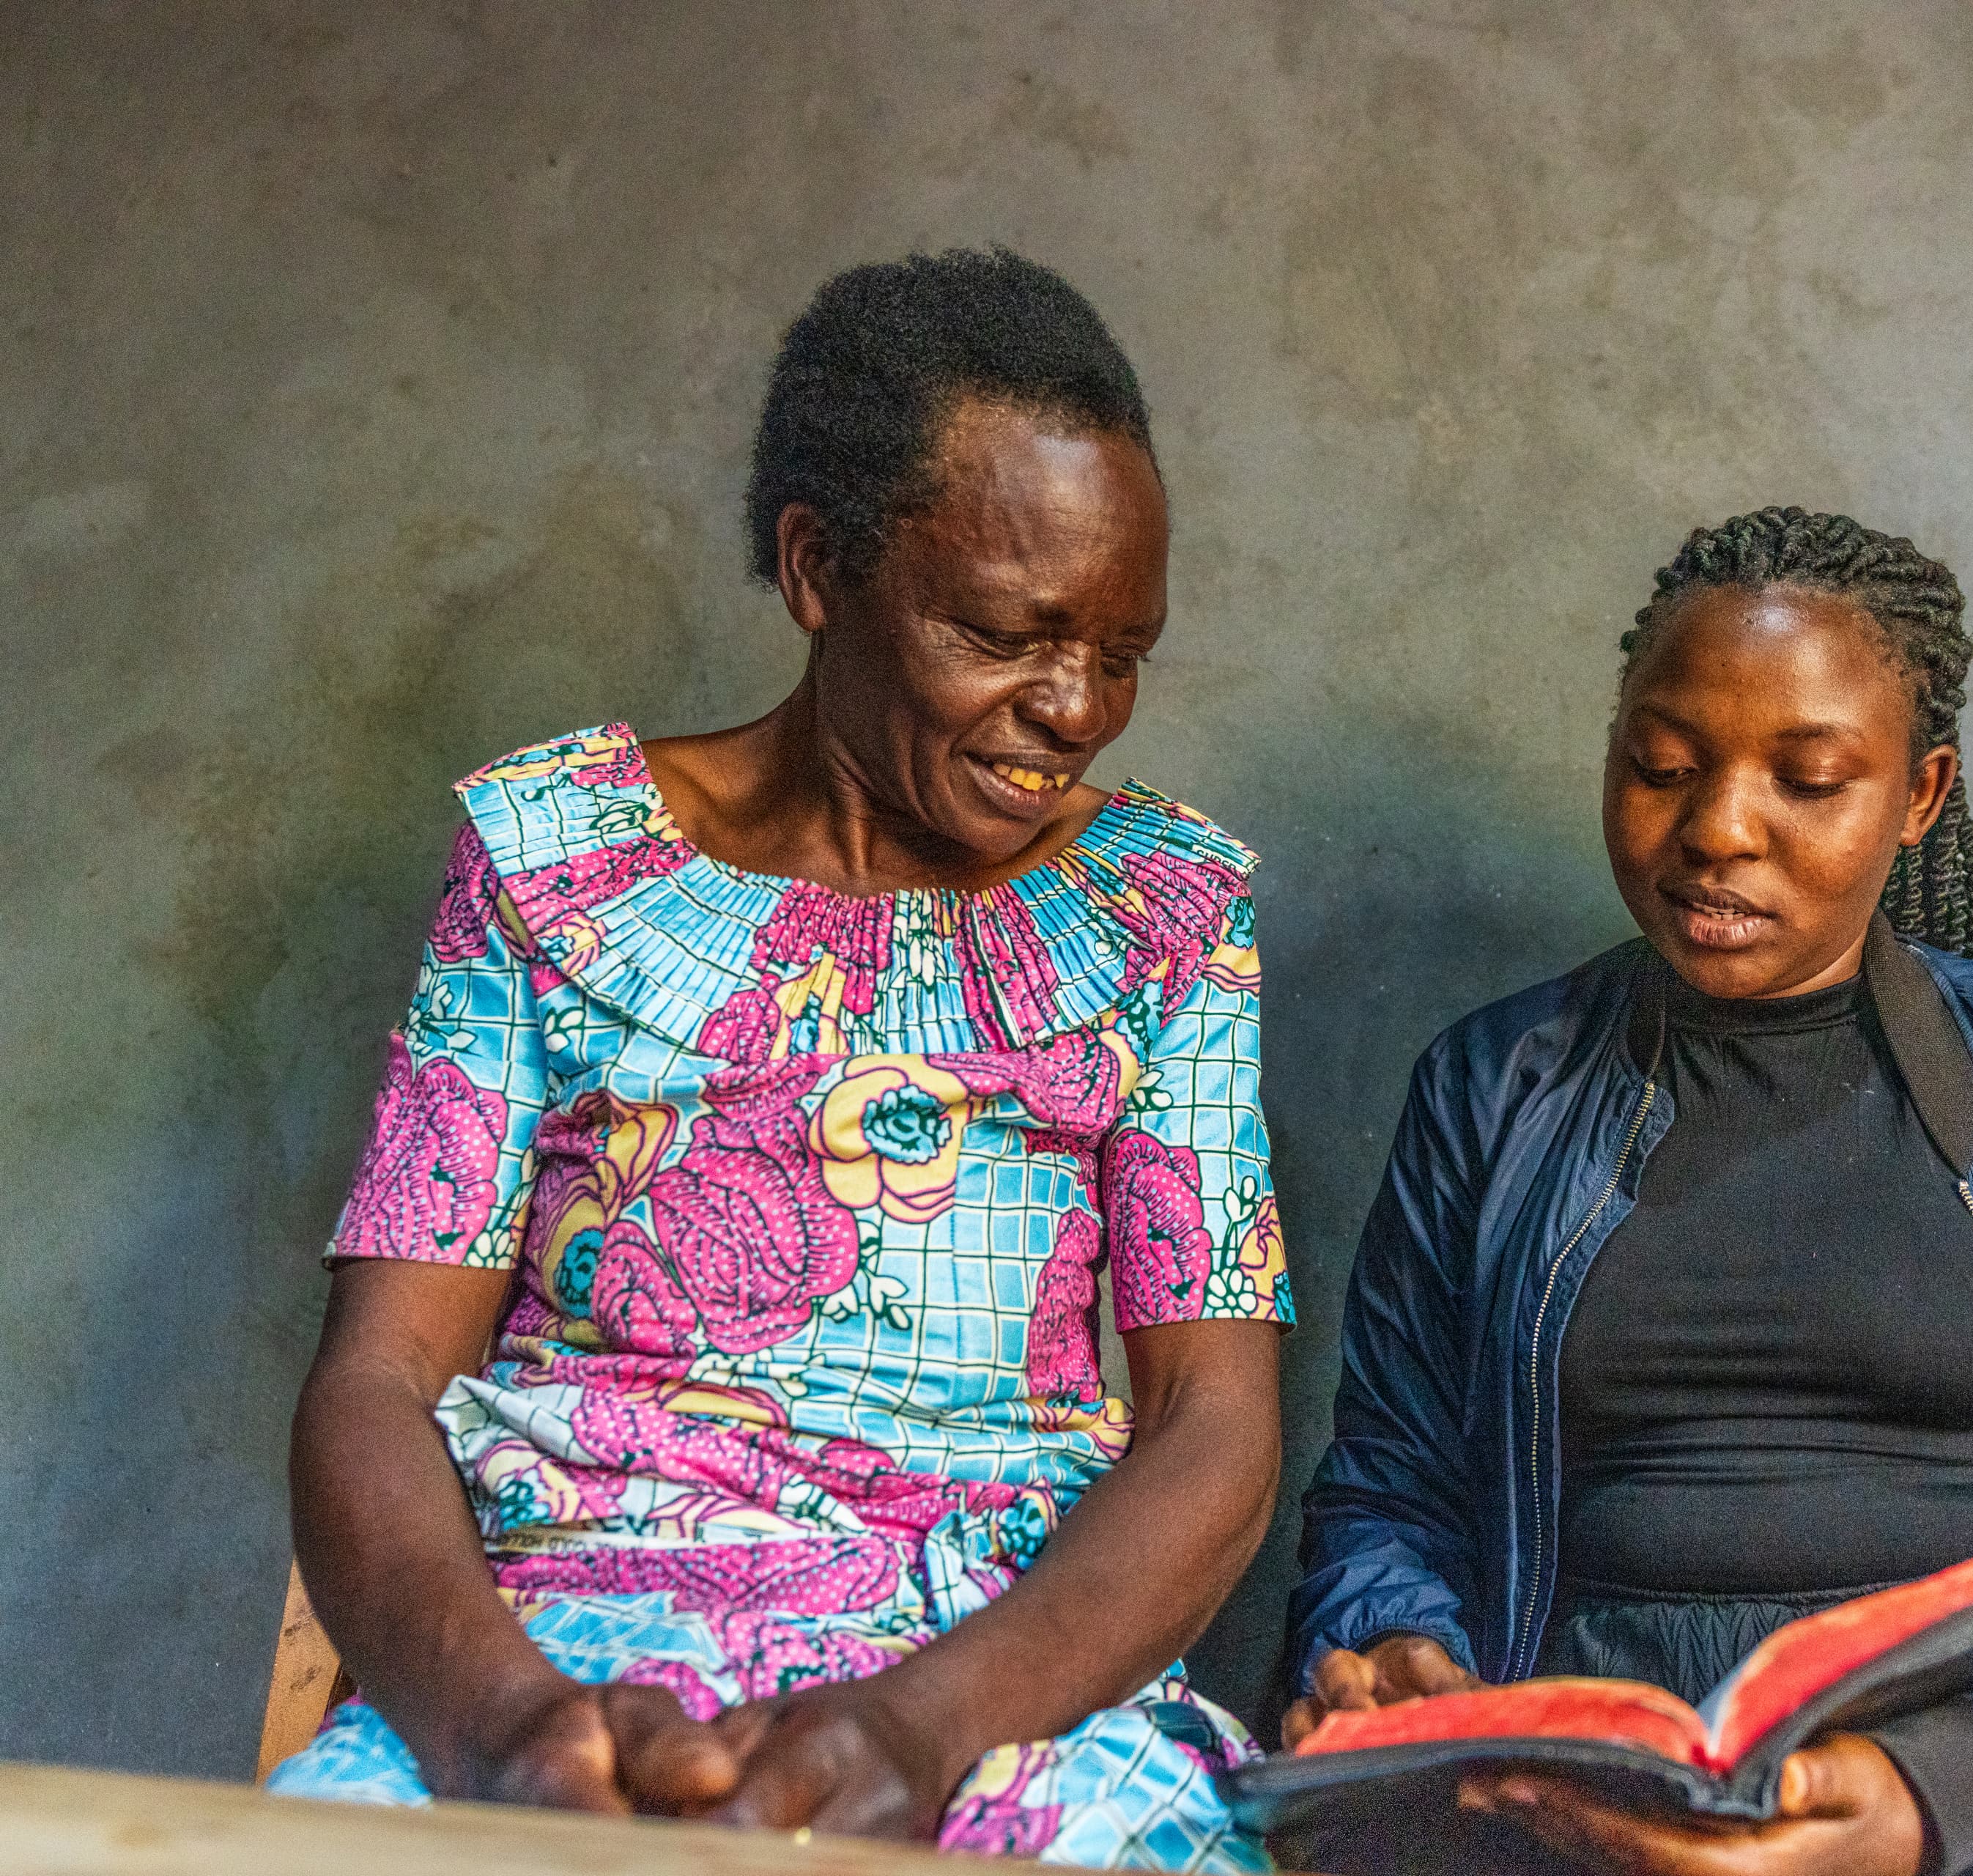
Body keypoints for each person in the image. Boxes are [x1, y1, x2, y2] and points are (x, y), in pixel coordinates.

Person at [267, 250, 1292, 1872]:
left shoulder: (1165, 916)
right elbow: (380, 1378)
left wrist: (918, 1726)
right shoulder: (548, 864)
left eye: (1124, 647)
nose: (1079, 705)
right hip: (563, 1644)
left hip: (999, 1677)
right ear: (820, 567)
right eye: (1006, 633)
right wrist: (508, 1727)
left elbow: (1214, 1428)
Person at [1284, 510, 1973, 1876]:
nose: (1717, 831)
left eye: (1807, 780)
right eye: (1663, 767)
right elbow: (1392, 1495)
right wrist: (1403, 1654)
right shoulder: (1489, 1090)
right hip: (1588, 1788)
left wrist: (1938, 1790)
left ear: (1919, 797)